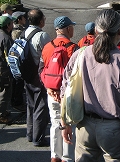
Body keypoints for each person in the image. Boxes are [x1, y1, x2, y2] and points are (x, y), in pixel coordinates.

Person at [60, 9, 120, 162]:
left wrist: (65, 122)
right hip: (113, 130)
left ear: (95, 30)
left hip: (84, 126)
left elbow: (65, 88)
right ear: (118, 32)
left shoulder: (80, 54)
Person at [41, 16, 78, 162]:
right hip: (68, 94)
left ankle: (55, 156)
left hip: (51, 92)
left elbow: (42, 69)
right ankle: (67, 157)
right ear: (68, 29)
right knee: (69, 124)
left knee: (55, 122)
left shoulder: (47, 47)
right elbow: (76, 74)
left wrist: (49, 88)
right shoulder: (74, 48)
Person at [24, 9, 52, 147]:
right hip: (38, 73)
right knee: (41, 105)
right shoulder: (42, 35)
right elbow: (49, 53)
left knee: (30, 104)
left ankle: (30, 133)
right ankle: (38, 137)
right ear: (41, 21)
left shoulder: (24, 32)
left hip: (26, 72)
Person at [10, 11, 28, 112]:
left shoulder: (13, 29)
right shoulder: (18, 31)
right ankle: (17, 103)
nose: (25, 19)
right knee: (18, 82)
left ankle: (16, 101)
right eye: (23, 18)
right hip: (18, 59)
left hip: (14, 59)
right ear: (19, 20)